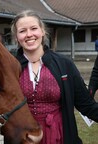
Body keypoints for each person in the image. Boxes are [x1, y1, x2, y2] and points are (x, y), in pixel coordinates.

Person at [11, 9, 98, 144]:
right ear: (16, 37)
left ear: (42, 31)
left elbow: (86, 104)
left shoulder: (64, 64)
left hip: (58, 135)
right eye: (22, 31)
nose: (29, 34)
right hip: (22, 136)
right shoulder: (9, 67)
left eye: (33, 28)